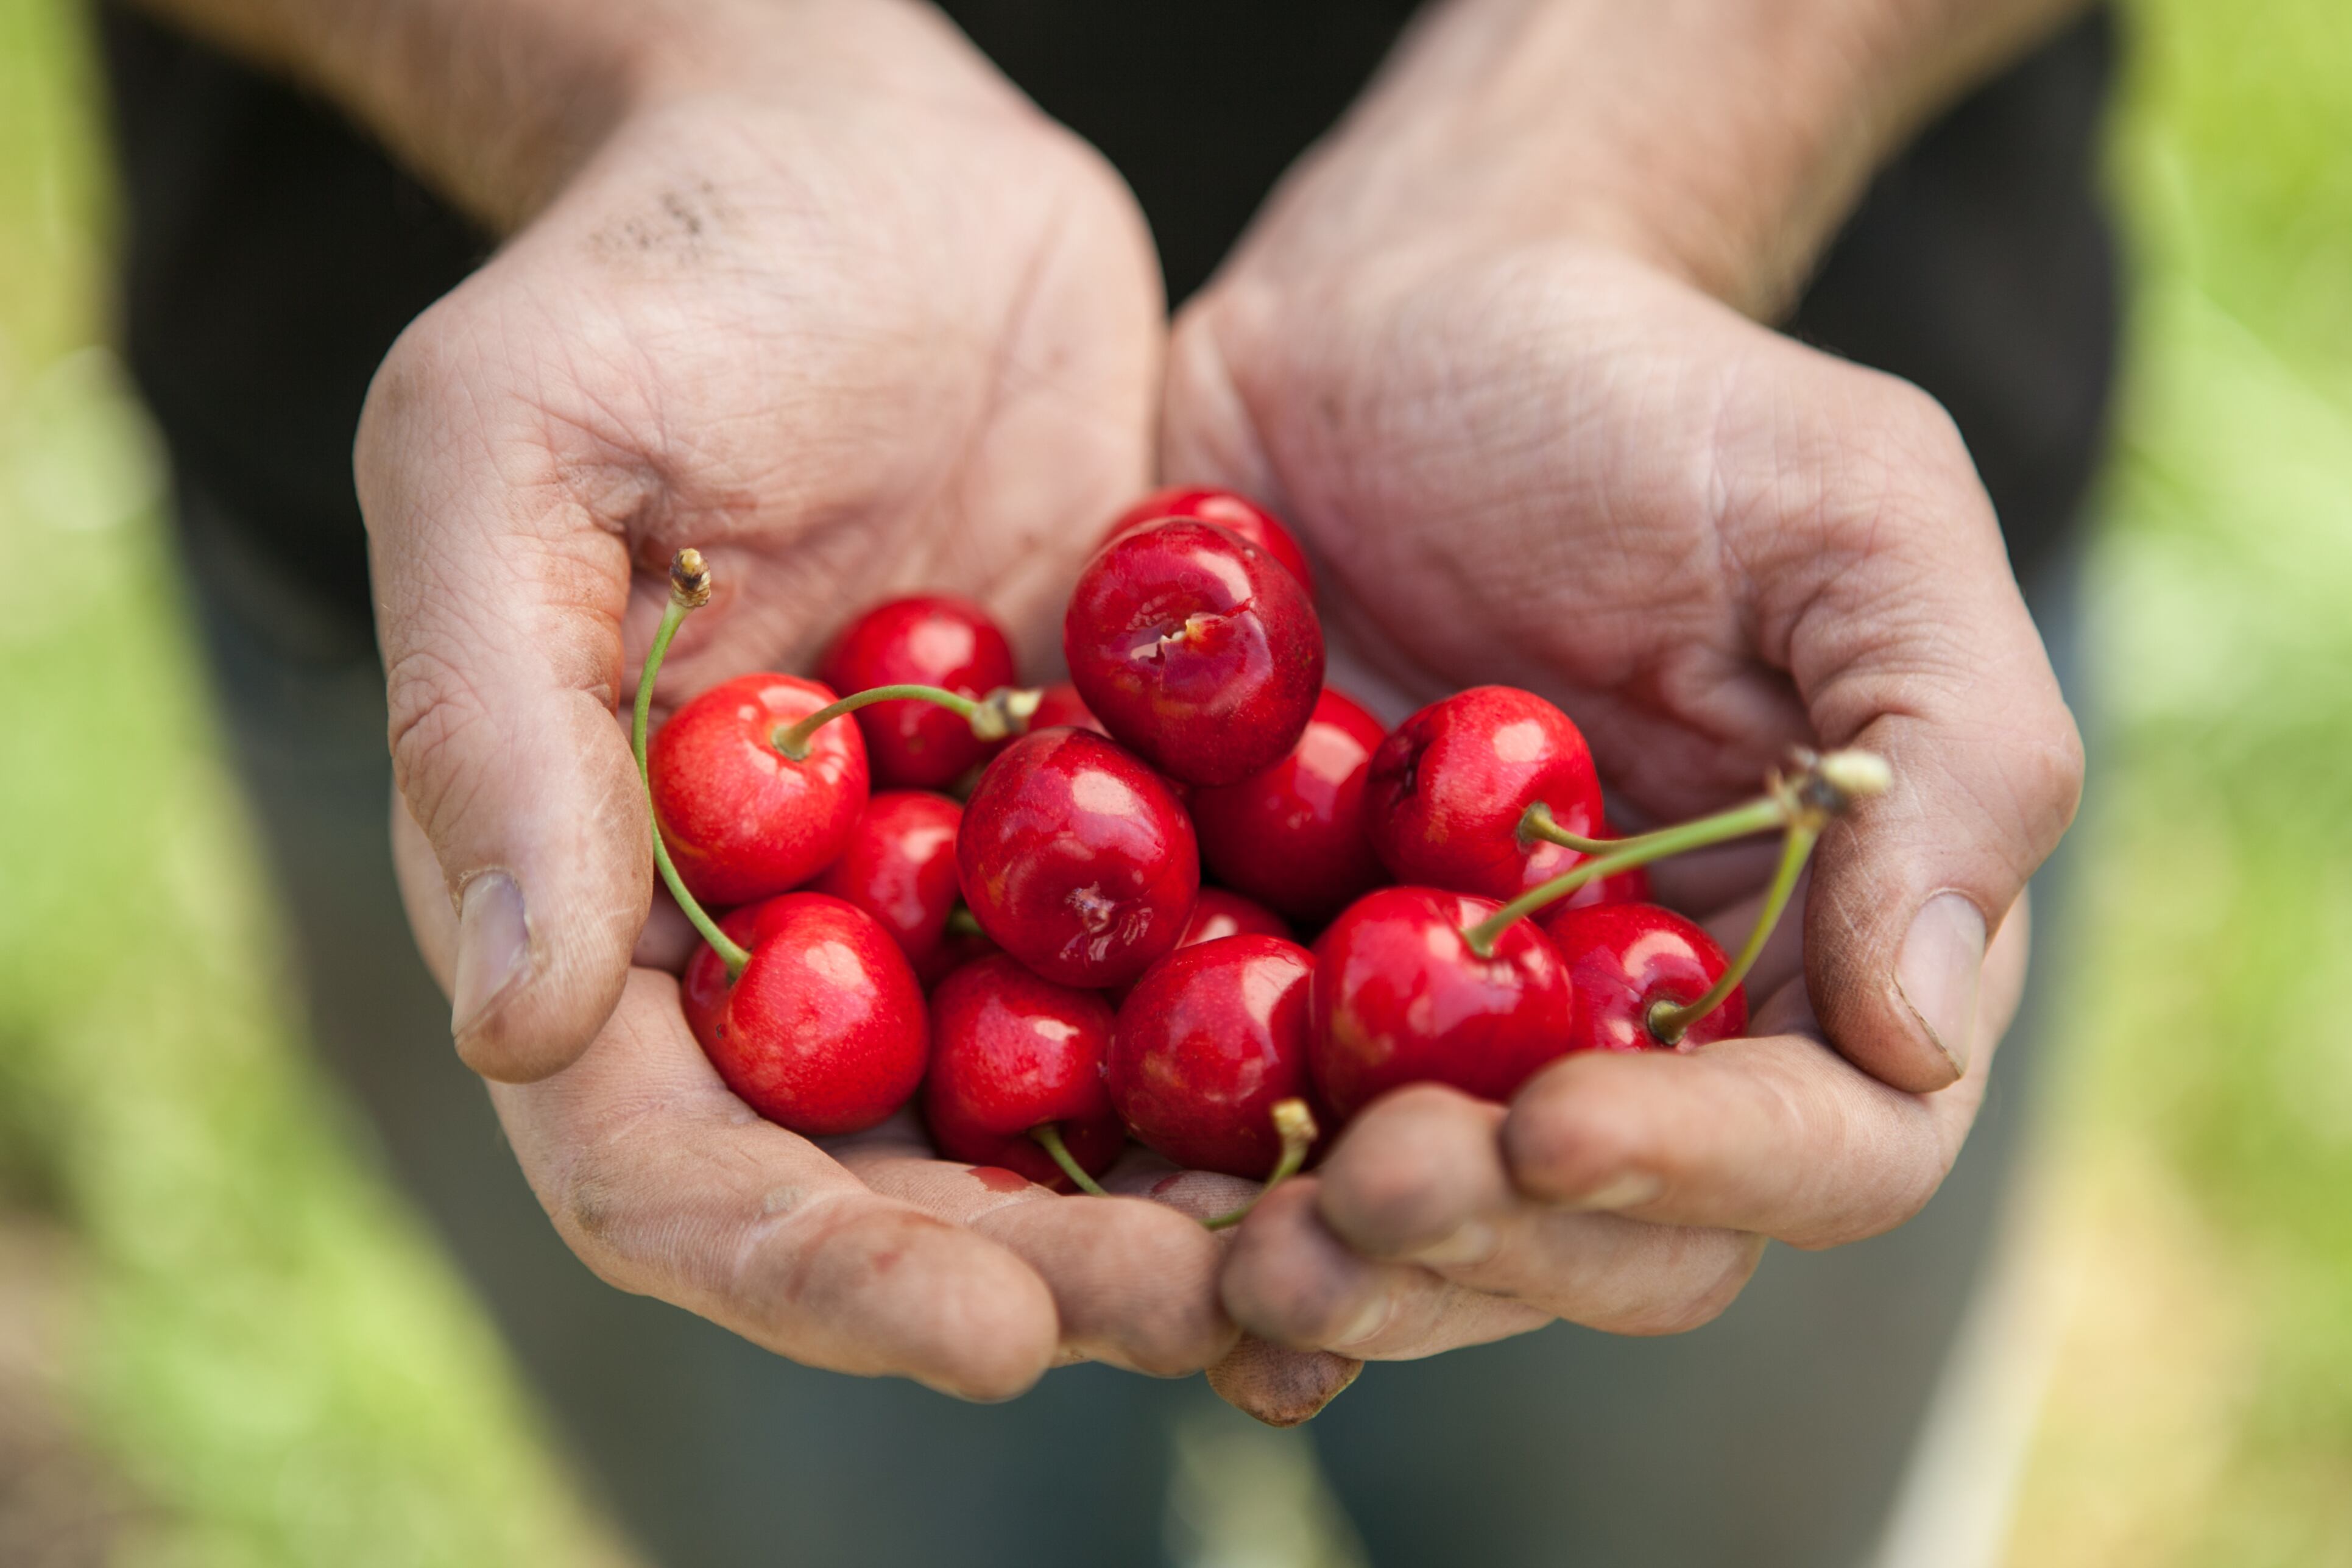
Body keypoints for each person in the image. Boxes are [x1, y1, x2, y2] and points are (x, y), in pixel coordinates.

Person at [101, 0, 2111, 1560]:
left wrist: (1603, 154)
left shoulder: (1565, 822)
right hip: (577, 594)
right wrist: (670, 71)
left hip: (1690, 604)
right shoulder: (871, 807)